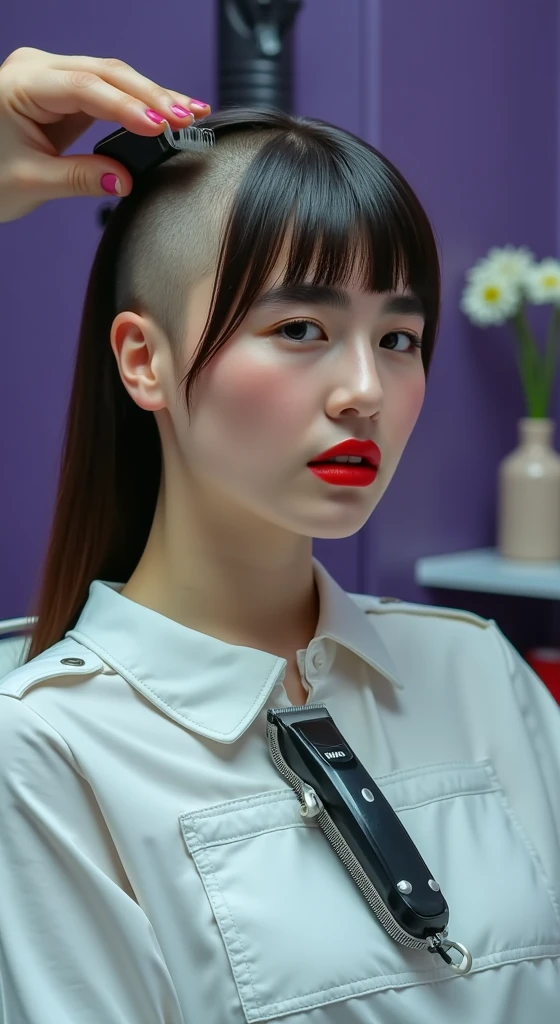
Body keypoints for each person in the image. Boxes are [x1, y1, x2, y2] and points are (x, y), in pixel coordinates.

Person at [0, 45, 559, 1024]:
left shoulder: (476, 671)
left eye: (396, 337)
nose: (363, 391)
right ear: (143, 358)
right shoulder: (46, 749)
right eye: (300, 328)